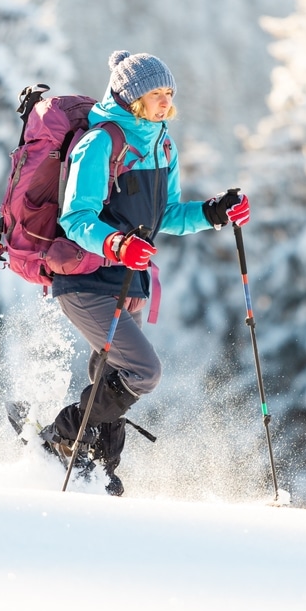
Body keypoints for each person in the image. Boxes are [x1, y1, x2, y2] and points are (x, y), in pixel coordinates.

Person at [41, 50, 251, 496]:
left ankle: (98, 463)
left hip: (126, 282)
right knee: (142, 371)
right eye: (157, 92)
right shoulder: (100, 143)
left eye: (169, 92)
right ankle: (61, 436)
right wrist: (117, 243)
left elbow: (168, 216)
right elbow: (76, 218)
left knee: (111, 374)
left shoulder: (161, 143)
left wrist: (214, 212)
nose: (165, 100)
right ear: (133, 95)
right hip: (84, 281)